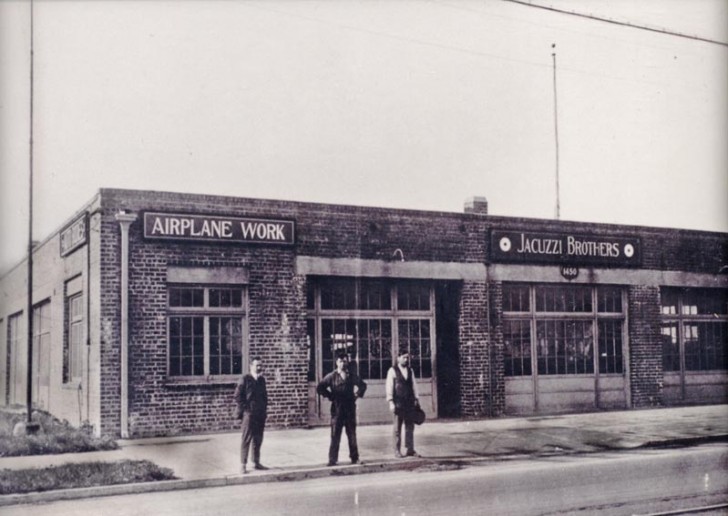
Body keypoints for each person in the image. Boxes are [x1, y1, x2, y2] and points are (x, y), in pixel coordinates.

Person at [316, 353, 367, 466]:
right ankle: (332, 459)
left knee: (352, 434)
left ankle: (355, 457)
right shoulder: (332, 376)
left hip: (349, 409)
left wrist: (357, 394)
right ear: (336, 362)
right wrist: (330, 396)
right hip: (337, 409)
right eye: (340, 361)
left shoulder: (351, 375)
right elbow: (320, 387)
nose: (343, 363)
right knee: (335, 434)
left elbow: (363, 385)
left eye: (345, 361)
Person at [234, 357, 268, 474]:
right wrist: (246, 409)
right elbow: (238, 396)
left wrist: (264, 410)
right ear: (251, 366)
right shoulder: (245, 379)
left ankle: (256, 462)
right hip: (249, 414)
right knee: (246, 438)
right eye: (257, 365)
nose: (259, 367)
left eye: (260, 365)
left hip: (260, 414)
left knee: (258, 439)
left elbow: (264, 397)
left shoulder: (262, 380)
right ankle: (243, 464)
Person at [386, 350, 421, 458]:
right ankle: (396, 450)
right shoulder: (392, 371)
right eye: (404, 357)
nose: (406, 360)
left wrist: (416, 399)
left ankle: (410, 449)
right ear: (398, 358)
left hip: (409, 403)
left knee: (410, 427)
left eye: (407, 358)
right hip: (398, 404)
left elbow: (414, 385)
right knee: (397, 428)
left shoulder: (410, 371)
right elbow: (389, 386)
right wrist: (391, 402)